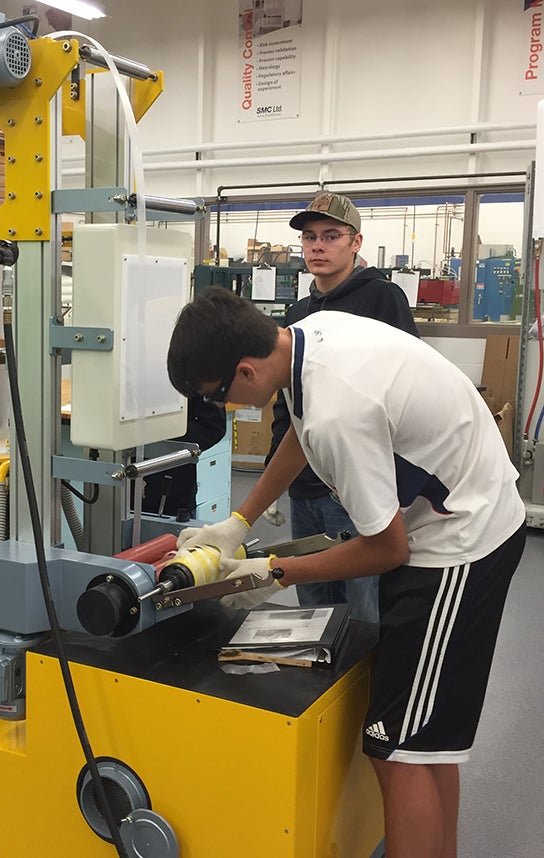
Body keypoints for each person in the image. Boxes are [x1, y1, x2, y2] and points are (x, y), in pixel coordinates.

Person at [167, 286, 526, 858]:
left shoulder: (340, 408)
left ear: (244, 369)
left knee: (394, 748)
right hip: (464, 512)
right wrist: (237, 522)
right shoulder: (311, 336)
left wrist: (271, 571)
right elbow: (301, 436)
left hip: (462, 543)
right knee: (427, 743)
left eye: (219, 396)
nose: (225, 409)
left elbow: (386, 549)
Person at [267, 192, 419, 623]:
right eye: (309, 237)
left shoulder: (382, 301)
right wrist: (275, 476)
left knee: (364, 610)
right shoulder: (297, 312)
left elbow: (405, 387)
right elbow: (289, 403)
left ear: (356, 243)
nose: (317, 246)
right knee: (312, 606)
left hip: (355, 487)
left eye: (331, 236)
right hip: (305, 488)